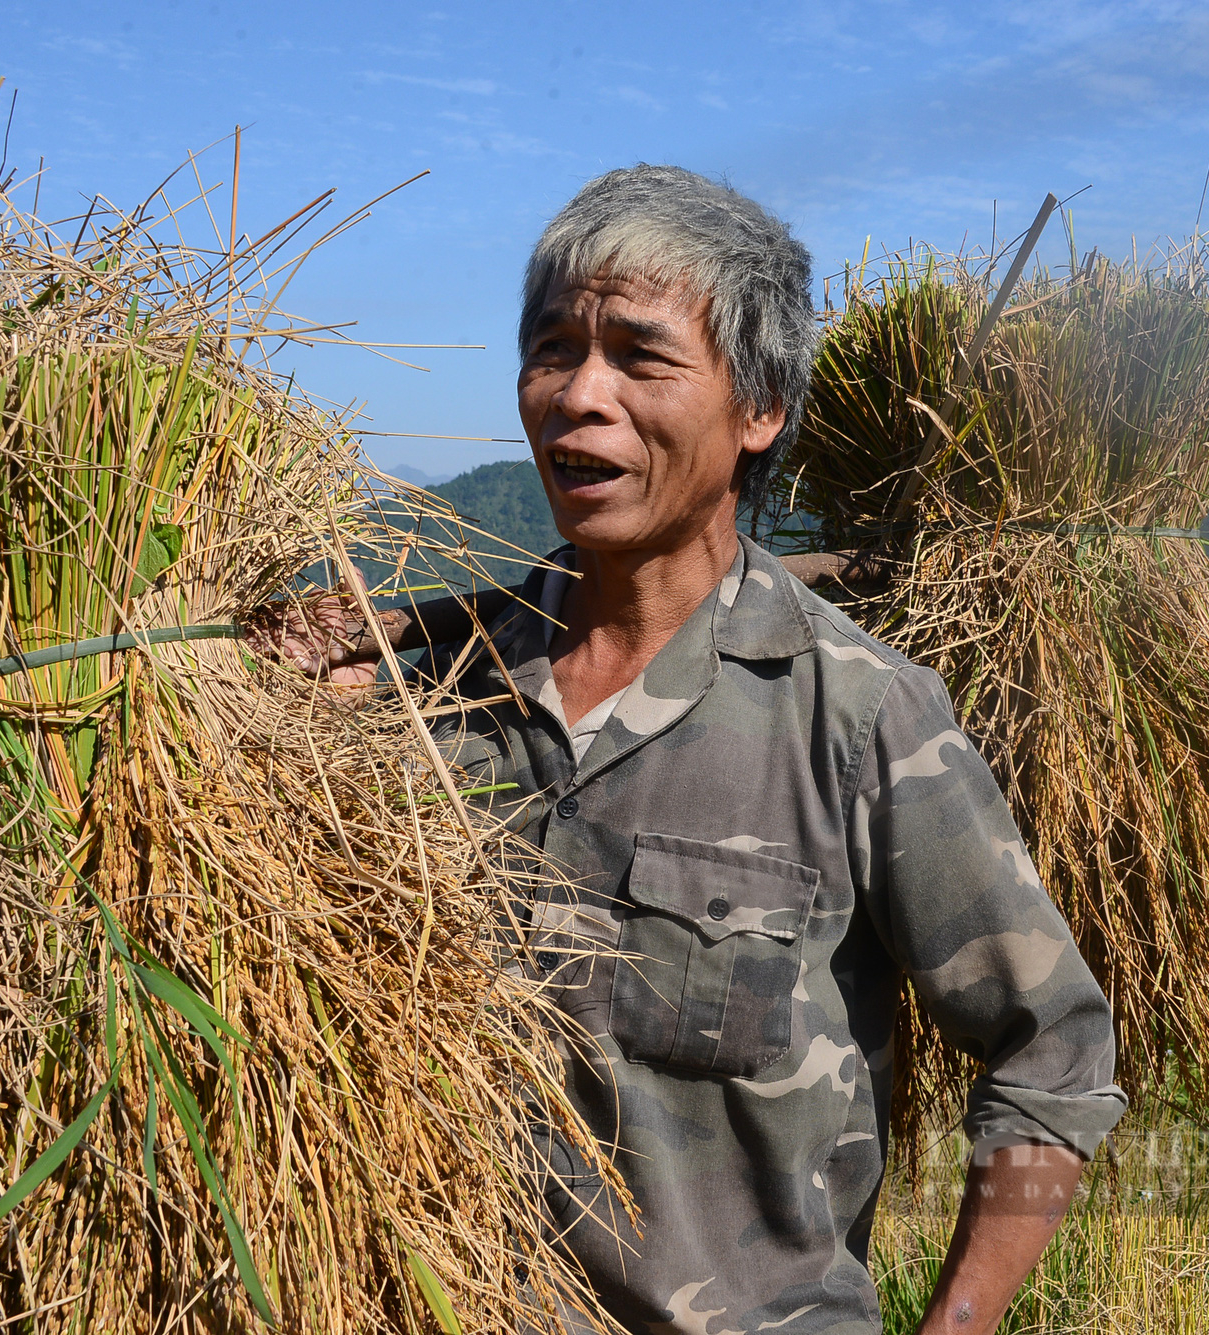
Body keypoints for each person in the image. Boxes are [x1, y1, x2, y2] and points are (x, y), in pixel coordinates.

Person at [266, 166, 1124, 1335]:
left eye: (639, 355)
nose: (578, 394)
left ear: (757, 408)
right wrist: (276, 725)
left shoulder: (859, 719)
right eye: (552, 348)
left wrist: (957, 1325)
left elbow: (1053, 1059)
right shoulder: (431, 696)